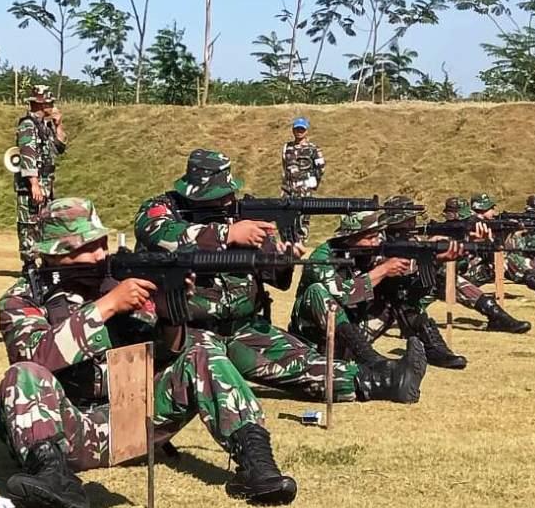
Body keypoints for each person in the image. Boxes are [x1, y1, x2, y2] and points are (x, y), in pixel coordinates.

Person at [0, 198, 297, 508]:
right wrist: (107, 306)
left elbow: (171, 351)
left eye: (101, 243)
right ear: (51, 252)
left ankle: (257, 464)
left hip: (131, 423)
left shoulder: (119, 281)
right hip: (68, 431)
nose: (99, 255)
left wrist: (169, 311)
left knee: (202, 345)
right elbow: (37, 356)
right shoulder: (21, 299)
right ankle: (52, 477)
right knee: (22, 374)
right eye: (86, 247)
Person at [134, 149, 426, 404]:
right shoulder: (162, 209)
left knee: (303, 363)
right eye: (219, 196)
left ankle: (385, 379)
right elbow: (161, 235)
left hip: (243, 328)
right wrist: (228, 234)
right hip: (188, 333)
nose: (227, 201)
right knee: (215, 372)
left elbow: (276, 278)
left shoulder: (238, 218)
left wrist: (283, 257)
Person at [290, 209, 467, 370]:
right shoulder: (322, 257)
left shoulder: (372, 253)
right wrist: (382, 271)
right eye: (370, 237)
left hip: (353, 336)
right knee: (317, 290)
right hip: (314, 340)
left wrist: (433, 260)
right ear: (349, 237)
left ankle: (431, 347)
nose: (376, 242)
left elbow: (413, 290)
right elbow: (342, 295)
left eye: (378, 236)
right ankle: (369, 358)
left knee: (396, 286)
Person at [434, 198, 532, 334]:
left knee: (496, 264)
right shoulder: (437, 235)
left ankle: (497, 316)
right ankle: (497, 316)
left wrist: (485, 240)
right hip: (429, 284)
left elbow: (495, 251)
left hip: (453, 278)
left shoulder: (462, 234)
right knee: (448, 277)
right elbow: (441, 264)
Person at [468, 192, 535, 300]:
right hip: (466, 274)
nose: (494, 210)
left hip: (480, 268)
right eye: (491, 208)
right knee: (504, 260)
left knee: (507, 259)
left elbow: (495, 247)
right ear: (483, 208)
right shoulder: (471, 224)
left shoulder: (483, 223)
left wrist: (507, 231)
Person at [13, 85, 66, 270]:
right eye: (49, 103)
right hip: (32, 184)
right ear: (40, 104)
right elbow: (28, 154)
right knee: (29, 223)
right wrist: (33, 184)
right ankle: (29, 264)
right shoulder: (28, 125)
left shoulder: (46, 126)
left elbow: (59, 147)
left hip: (46, 183)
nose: (52, 106)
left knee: (45, 222)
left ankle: (45, 262)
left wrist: (59, 125)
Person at [280, 117, 326, 242]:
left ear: (306, 131)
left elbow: (321, 168)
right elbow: (285, 166)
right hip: (288, 190)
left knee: (302, 220)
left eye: (302, 129)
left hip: (304, 190)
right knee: (285, 219)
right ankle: (288, 244)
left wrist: (312, 184)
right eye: (297, 129)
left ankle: (300, 245)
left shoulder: (313, 149)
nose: (299, 131)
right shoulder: (287, 147)